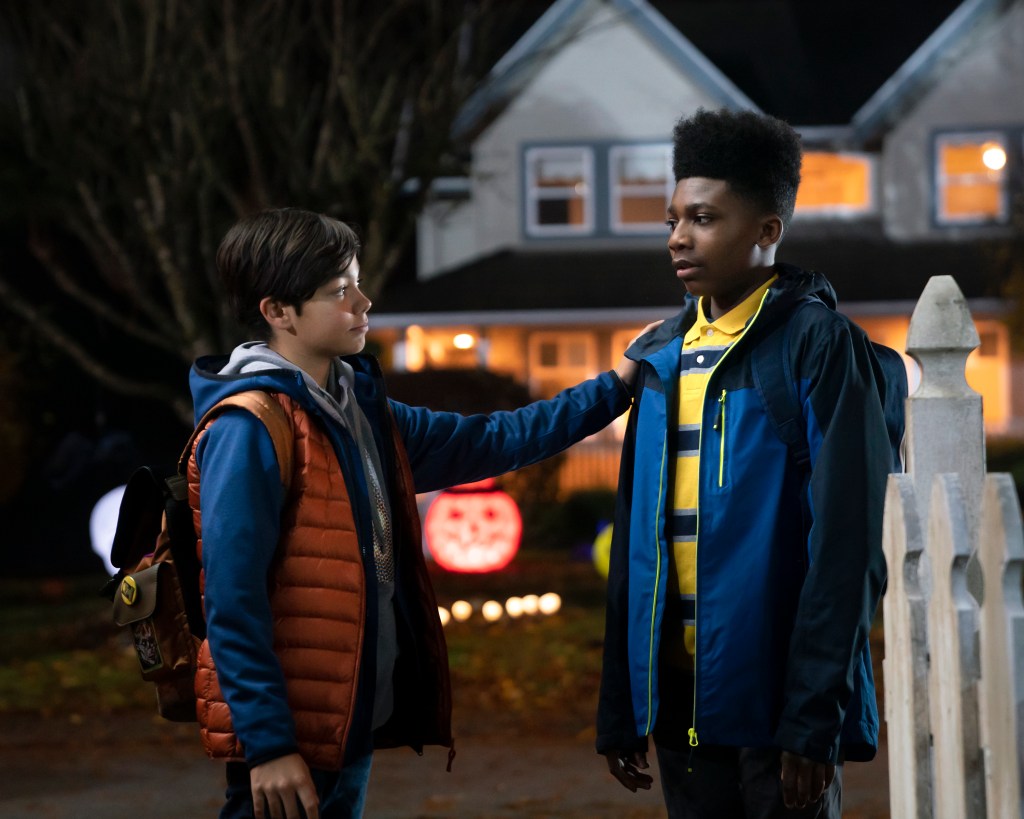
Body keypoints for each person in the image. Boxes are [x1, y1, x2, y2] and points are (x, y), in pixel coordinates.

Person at [191, 207, 652, 819]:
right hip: (290, 744)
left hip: (346, 723)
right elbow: (231, 599)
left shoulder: (359, 411)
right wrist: (268, 745)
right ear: (278, 312)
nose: (364, 301)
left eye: (356, 282)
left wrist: (617, 385)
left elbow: (494, 439)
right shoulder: (250, 428)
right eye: (339, 291)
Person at [596, 108, 891, 818]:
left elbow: (847, 545)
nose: (677, 237)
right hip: (677, 707)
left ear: (767, 232)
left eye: (703, 218)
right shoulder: (660, 356)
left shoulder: (818, 346)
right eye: (672, 218)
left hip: (777, 710)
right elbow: (638, 537)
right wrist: (621, 705)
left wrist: (813, 719)